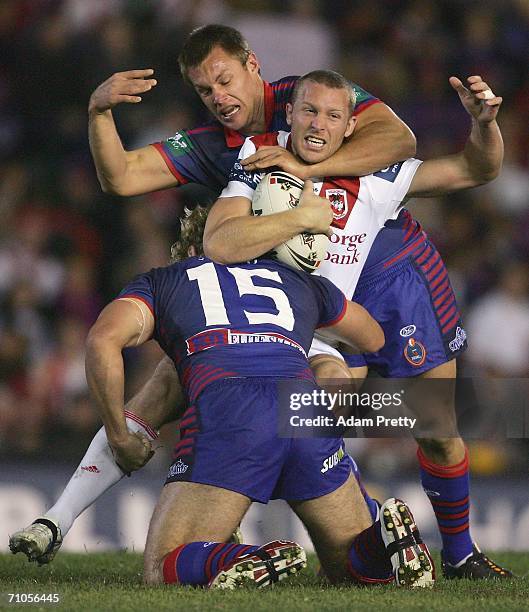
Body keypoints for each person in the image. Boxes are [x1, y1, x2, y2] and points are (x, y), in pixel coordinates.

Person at [8, 23, 417, 567]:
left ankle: (338, 527)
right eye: (205, 91)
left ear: (252, 65)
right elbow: (124, 178)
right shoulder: (214, 149)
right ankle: (58, 521)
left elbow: (402, 142)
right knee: (182, 386)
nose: (219, 98)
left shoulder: (308, 101)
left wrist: (302, 165)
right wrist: (99, 113)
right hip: (278, 304)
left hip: (329, 294)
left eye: (224, 80)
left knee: (321, 391)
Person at [203, 69, 512, 580]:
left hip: (343, 319)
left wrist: (484, 126)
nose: (317, 124)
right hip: (283, 329)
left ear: (350, 126)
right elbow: (220, 242)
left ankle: (459, 555)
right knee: (315, 404)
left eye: (331, 115)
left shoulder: (375, 175)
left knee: (436, 427)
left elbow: (474, 170)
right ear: (290, 114)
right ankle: (367, 536)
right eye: (308, 111)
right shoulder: (259, 159)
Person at [84, 206, 434, 588]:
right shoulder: (296, 280)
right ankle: (382, 544)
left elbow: (103, 340)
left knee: (163, 566)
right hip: (304, 405)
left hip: (232, 406)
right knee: (348, 570)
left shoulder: (164, 280)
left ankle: (247, 557)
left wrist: (119, 437)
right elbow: (373, 338)